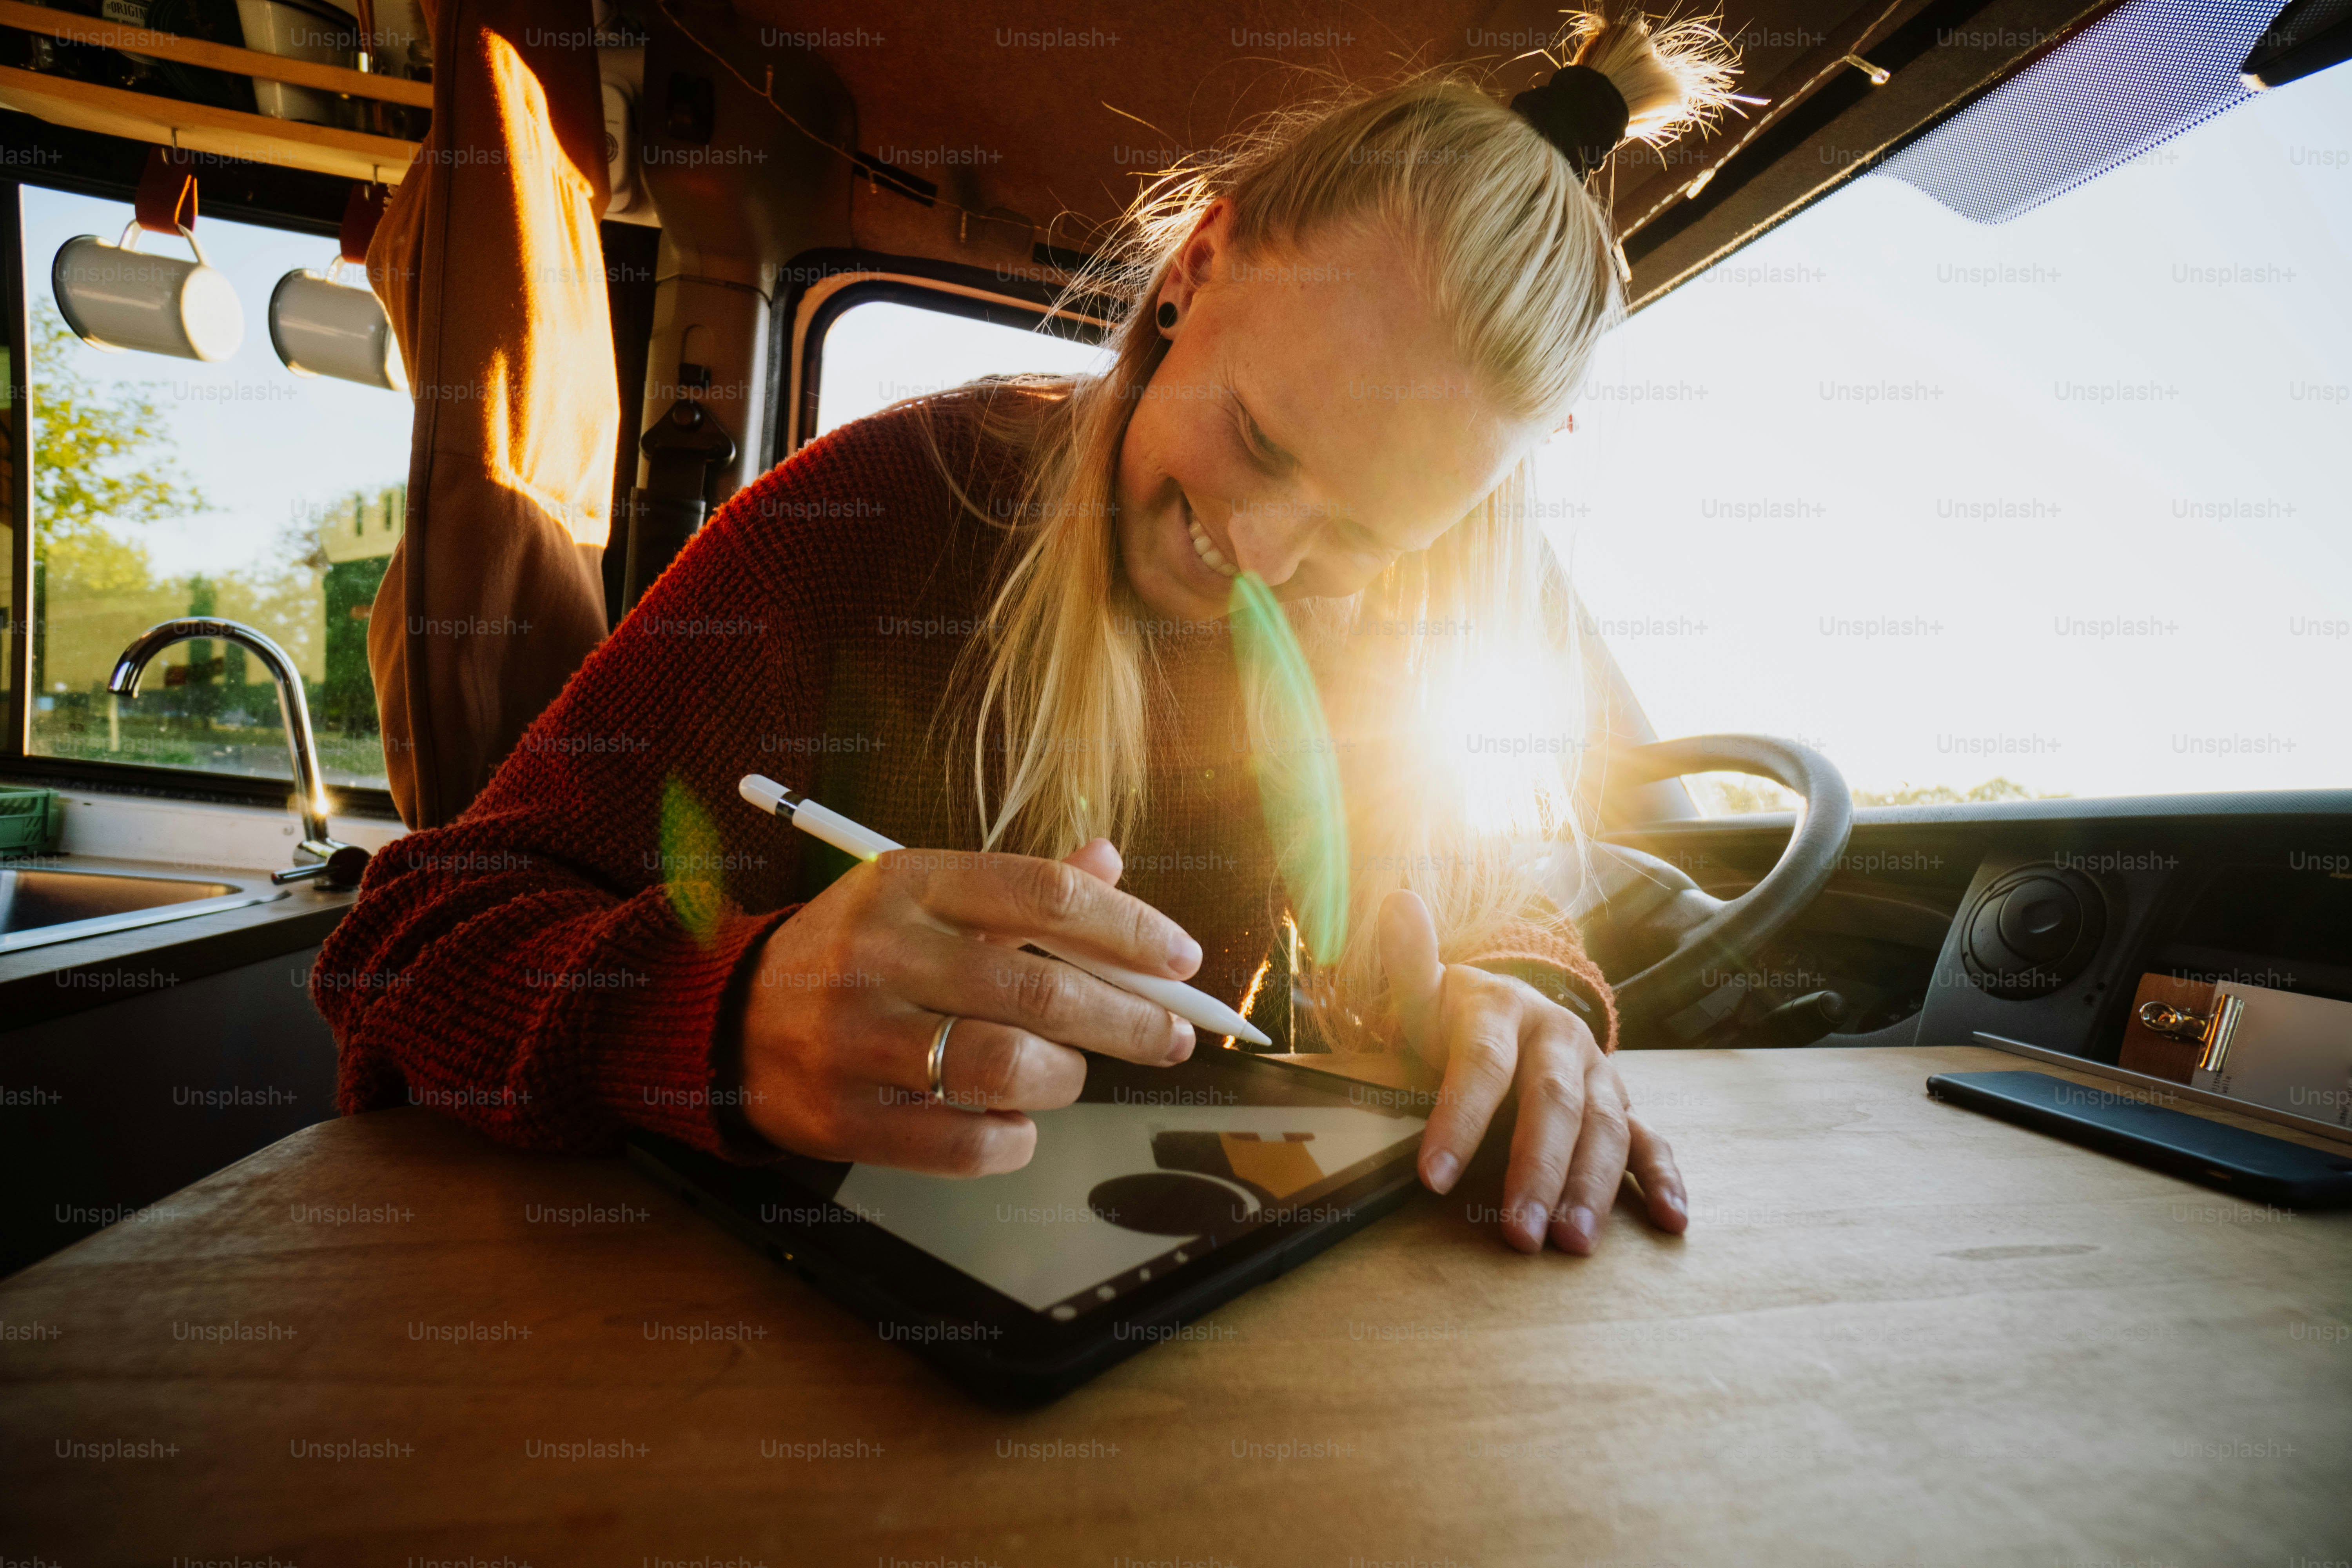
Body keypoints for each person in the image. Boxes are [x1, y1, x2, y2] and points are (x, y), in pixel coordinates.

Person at [316, 12, 1743, 1255]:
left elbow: (1472, 882)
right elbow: (403, 949)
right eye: (1258, 439)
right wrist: (726, 1012)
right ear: (1197, 267)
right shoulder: (878, 518)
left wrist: (1516, 993)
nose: (1263, 555)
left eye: (1367, 537)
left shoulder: (1373, 630)